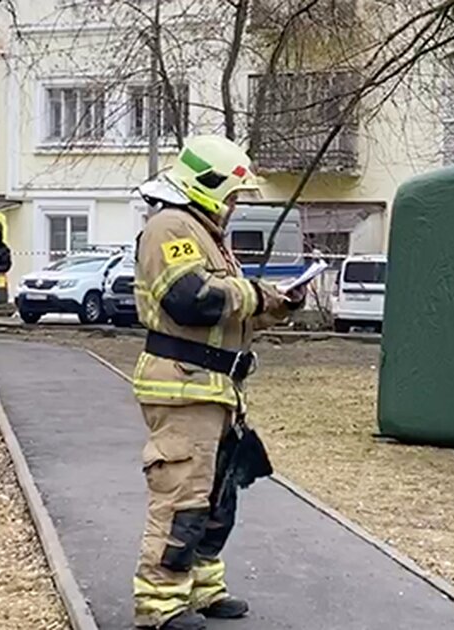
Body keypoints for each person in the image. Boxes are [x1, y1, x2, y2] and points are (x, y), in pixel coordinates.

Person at [130, 135, 305, 630]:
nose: (232, 206)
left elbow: (227, 315)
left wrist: (278, 303)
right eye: (231, 195)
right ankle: (159, 605)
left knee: (216, 497)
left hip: (215, 388)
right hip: (184, 386)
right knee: (181, 497)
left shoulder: (204, 232)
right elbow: (192, 299)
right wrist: (255, 293)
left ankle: (202, 588)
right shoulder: (171, 226)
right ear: (209, 186)